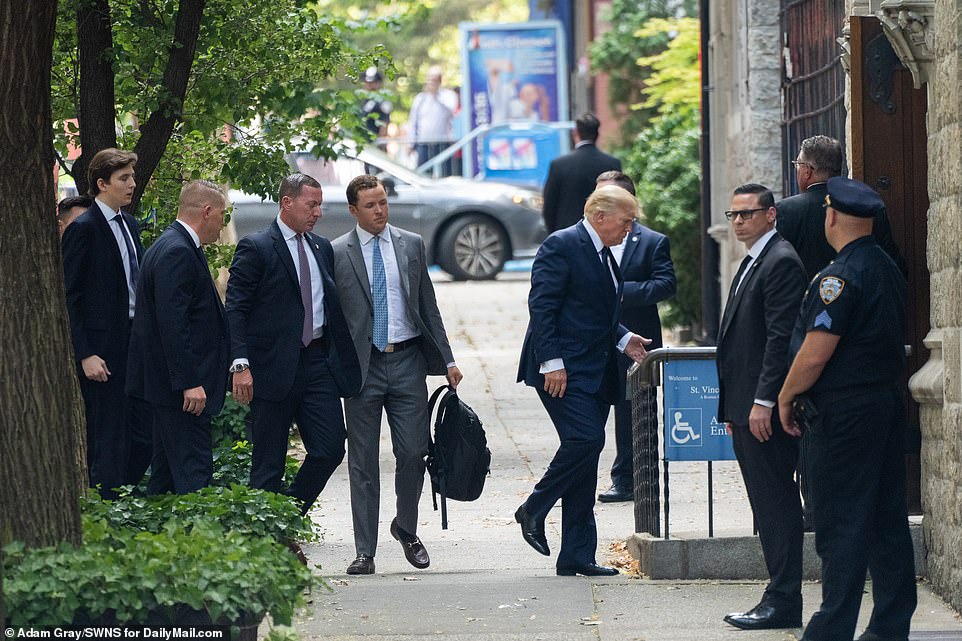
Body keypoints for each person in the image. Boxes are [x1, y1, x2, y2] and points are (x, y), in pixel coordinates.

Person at [778, 177, 917, 641]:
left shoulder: (839, 277)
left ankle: (831, 627)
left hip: (844, 412)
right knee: (885, 517)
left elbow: (816, 353)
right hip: (882, 404)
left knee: (840, 520)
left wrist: (785, 395)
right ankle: (890, 622)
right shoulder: (885, 266)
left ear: (831, 215)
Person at [515, 185, 651, 576]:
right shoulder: (562, 245)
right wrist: (551, 362)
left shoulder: (604, 252)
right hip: (561, 369)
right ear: (600, 216)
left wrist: (624, 338)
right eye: (626, 221)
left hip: (594, 368)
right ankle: (533, 509)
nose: (629, 229)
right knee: (586, 439)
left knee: (586, 458)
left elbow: (595, 310)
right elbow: (543, 306)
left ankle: (576, 554)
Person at [332, 175, 463, 576]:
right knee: (362, 461)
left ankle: (405, 527)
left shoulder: (411, 244)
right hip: (362, 367)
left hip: (407, 362)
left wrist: (448, 359)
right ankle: (364, 551)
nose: (379, 211)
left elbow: (428, 307)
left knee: (413, 452)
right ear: (353, 210)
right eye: (370, 206)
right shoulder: (337, 252)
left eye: (383, 203)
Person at [225, 173, 361, 514]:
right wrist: (240, 363)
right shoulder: (256, 247)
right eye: (311, 205)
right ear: (287, 202)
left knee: (330, 448)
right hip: (271, 368)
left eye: (320, 205)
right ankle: (265, 539)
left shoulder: (321, 247)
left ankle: (288, 514)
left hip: (317, 364)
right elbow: (236, 308)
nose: (318, 212)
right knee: (268, 460)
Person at [716, 184, 807, 630]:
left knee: (775, 502)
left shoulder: (781, 261)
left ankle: (784, 598)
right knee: (766, 501)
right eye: (732, 215)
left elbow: (779, 340)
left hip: (761, 408)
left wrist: (762, 402)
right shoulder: (754, 259)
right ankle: (778, 592)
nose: (737, 222)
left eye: (746, 214)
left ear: (770, 215)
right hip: (743, 406)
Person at [126, 180, 230, 494]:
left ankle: (157, 538)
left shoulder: (169, 245)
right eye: (222, 216)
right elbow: (173, 324)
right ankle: (197, 540)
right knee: (194, 471)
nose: (222, 225)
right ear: (207, 212)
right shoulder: (177, 252)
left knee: (167, 476)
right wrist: (189, 382)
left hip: (168, 387)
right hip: (181, 391)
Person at [62, 148, 152, 496]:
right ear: (102, 183)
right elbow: (71, 296)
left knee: (145, 431)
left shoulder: (129, 224)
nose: (132, 184)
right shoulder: (83, 229)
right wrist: (85, 353)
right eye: (124, 178)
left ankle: (123, 495)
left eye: (132, 176)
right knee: (109, 434)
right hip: (102, 350)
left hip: (136, 341)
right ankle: (107, 505)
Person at [592, 171, 676, 503]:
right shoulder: (584, 240)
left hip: (636, 339)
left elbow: (665, 284)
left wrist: (622, 293)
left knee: (634, 413)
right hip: (597, 340)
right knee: (593, 412)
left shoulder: (652, 241)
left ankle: (632, 479)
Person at [777, 135, 905, 279]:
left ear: (807, 170)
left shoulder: (787, 210)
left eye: (797, 164)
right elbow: (893, 264)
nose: (797, 170)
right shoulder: (865, 205)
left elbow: (780, 268)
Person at [541, 112, 621, 234]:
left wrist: (554, 235)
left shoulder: (559, 165)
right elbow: (619, 202)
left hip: (567, 235)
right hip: (603, 234)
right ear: (597, 134)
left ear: (575, 133)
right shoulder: (612, 164)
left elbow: (549, 207)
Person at [409, 65, 458, 173]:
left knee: (445, 173)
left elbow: (451, 111)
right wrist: (411, 143)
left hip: (442, 143)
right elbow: (413, 121)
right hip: (424, 144)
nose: (431, 83)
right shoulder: (420, 99)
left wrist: (436, 95)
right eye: (430, 79)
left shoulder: (448, 96)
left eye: (435, 80)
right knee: (424, 174)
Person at [361, 66, 392, 142]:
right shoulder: (365, 100)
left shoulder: (382, 101)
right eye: (367, 83)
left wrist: (380, 143)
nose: (368, 85)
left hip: (375, 143)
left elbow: (384, 123)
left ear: (378, 83)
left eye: (371, 83)